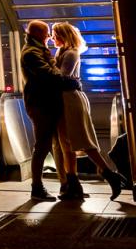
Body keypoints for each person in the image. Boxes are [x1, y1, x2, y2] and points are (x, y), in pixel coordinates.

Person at [51, 22, 130, 199]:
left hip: (70, 100)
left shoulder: (71, 53)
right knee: (67, 144)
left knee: (81, 140)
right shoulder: (62, 52)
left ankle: (109, 174)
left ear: (63, 36)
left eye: (55, 35)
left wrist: (48, 68)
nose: (52, 38)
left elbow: (62, 77)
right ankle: (74, 184)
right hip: (65, 99)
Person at [20, 20, 80, 201]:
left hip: (45, 103)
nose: (49, 36)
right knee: (42, 146)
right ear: (38, 34)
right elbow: (49, 74)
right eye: (46, 33)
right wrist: (71, 81)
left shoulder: (37, 50)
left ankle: (66, 185)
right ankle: (37, 188)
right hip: (40, 105)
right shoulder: (32, 53)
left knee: (55, 145)